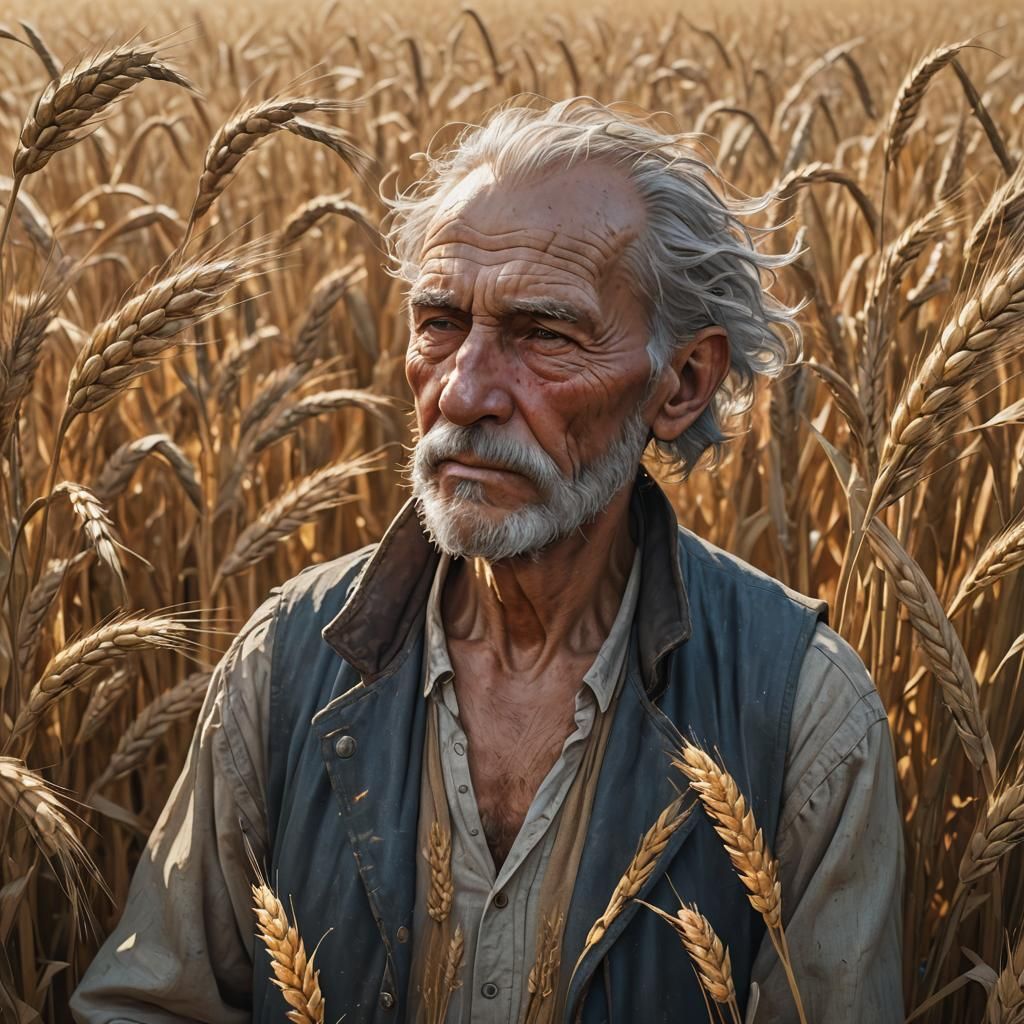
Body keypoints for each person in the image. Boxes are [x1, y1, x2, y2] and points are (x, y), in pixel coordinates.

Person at [71, 97, 903, 1024]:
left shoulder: (803, 717)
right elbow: (149, 1006)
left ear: (683, 382)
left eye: (544, 333)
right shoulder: (288, 663)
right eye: (440, 321)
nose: (464, 392)